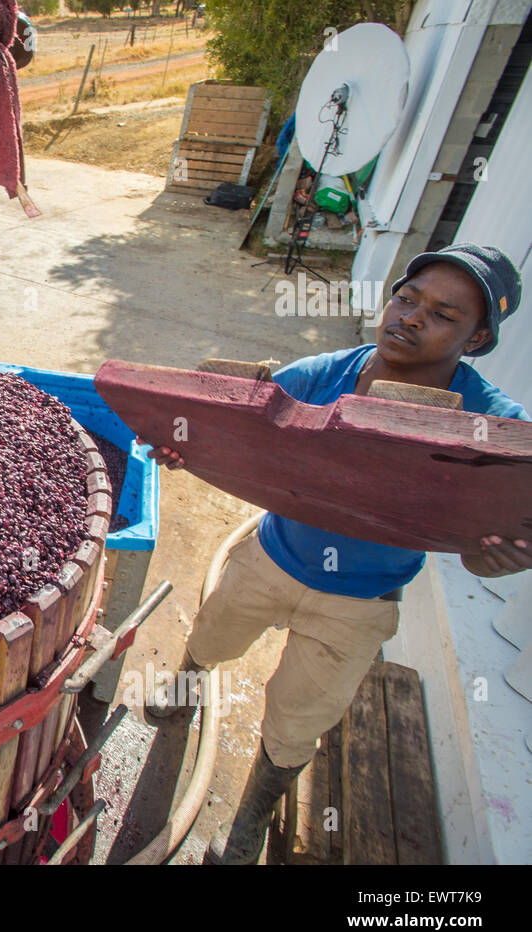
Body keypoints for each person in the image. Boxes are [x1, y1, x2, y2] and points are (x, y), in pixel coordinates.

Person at [143, 243, 531, 865]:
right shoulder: (326, 374)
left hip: (358, 603)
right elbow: (237, 421)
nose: (409, 316)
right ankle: (188, 685)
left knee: (299, 719)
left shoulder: (490, 424)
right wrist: (190, 443)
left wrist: (492, 558)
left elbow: (500, 519)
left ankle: (249, 822)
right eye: (407, 297)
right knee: (214, 629)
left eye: (442, 314)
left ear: (479, 337)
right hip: (271, 556)